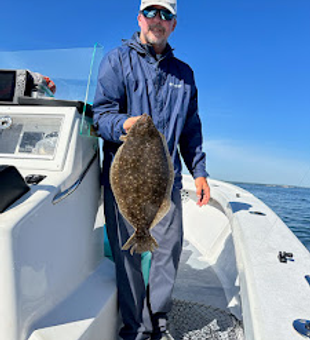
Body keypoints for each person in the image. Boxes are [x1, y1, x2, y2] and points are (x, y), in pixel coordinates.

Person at [92, 1, 210, 339]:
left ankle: (158, 324)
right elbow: (101, 115)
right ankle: (134, 329)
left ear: (174, 24)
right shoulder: (117, 60)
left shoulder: (184, 74)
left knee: (168, 251)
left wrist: (199, 172)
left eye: (167, 15)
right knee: (128, 256)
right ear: (140, 18)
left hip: (166, 179)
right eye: (153, 13)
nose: (159, 20)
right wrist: (123, 124)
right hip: (124, 182)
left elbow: (191, 129)